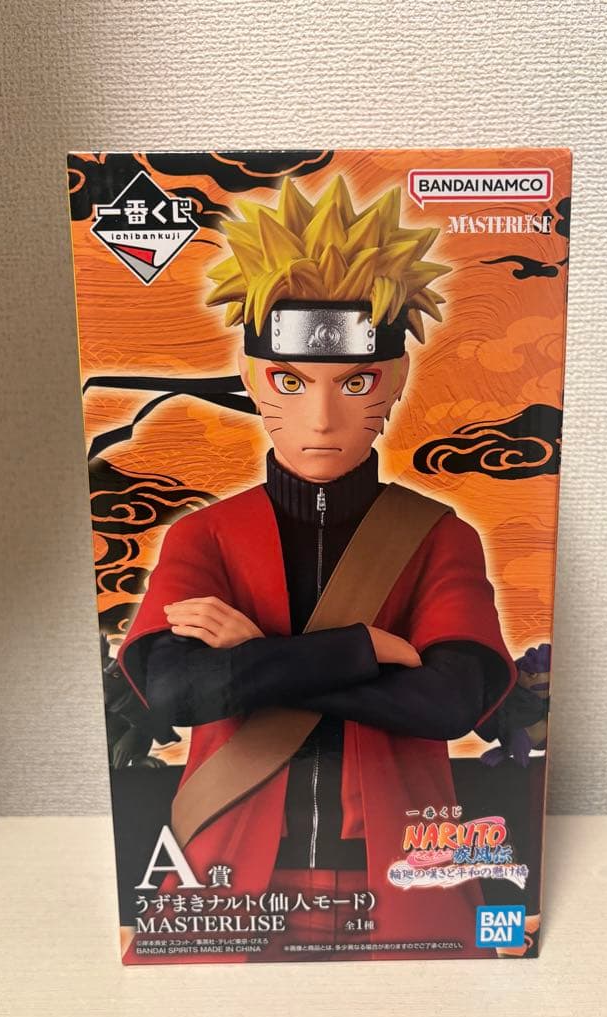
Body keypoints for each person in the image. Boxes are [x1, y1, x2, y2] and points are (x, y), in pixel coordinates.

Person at [118, 174, 516, 961]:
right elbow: (176, 689)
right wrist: (363, 650)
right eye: (290, 382)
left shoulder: (439, 536)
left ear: (396, 380)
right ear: (250, 377)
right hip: (223, 879)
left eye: (356, 383)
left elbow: (449, 701)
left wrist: (255, 655)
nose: (323, 418)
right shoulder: (205, 535)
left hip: (406, 885)